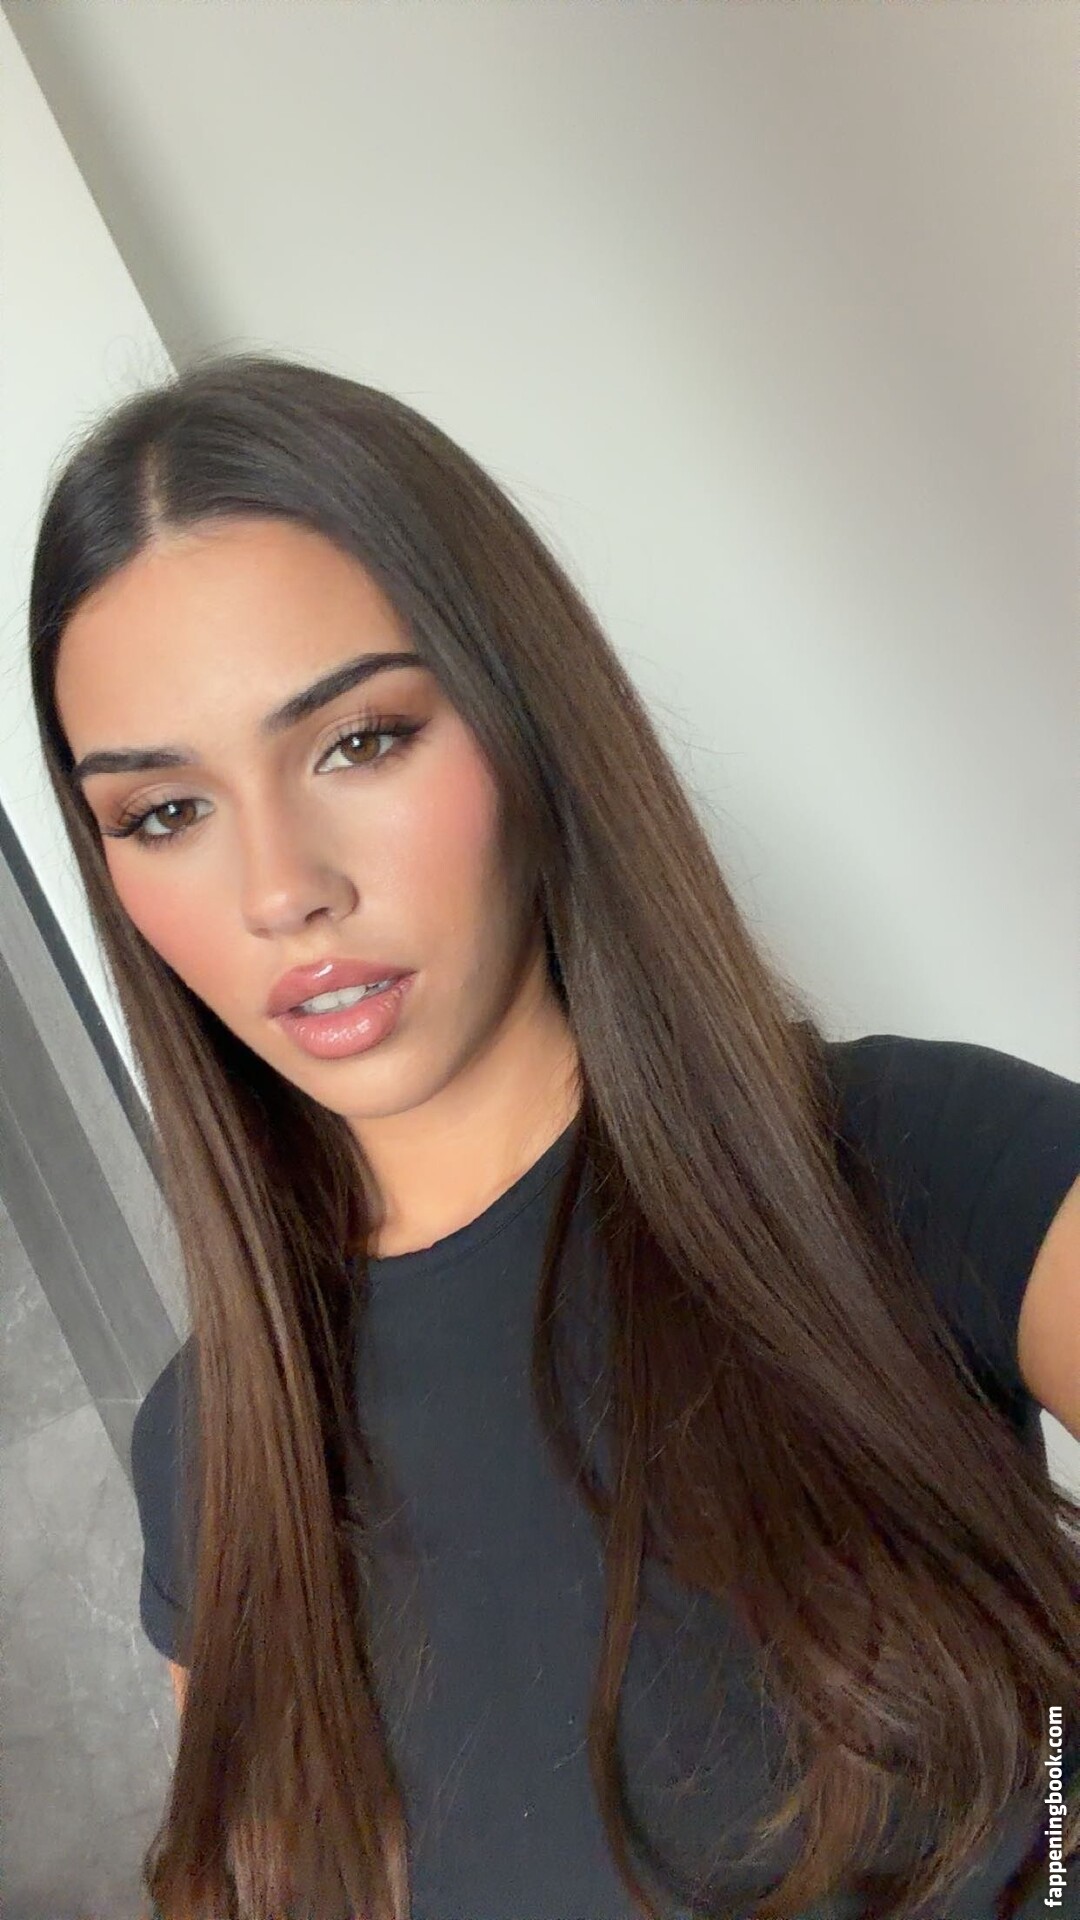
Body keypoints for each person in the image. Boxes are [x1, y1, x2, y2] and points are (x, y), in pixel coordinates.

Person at [30, 350, 1080, 1920]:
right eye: (165, 812)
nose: (282, 888)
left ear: (523, 717)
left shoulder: (913, 1162)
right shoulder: (216, 1450)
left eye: (359, 740)